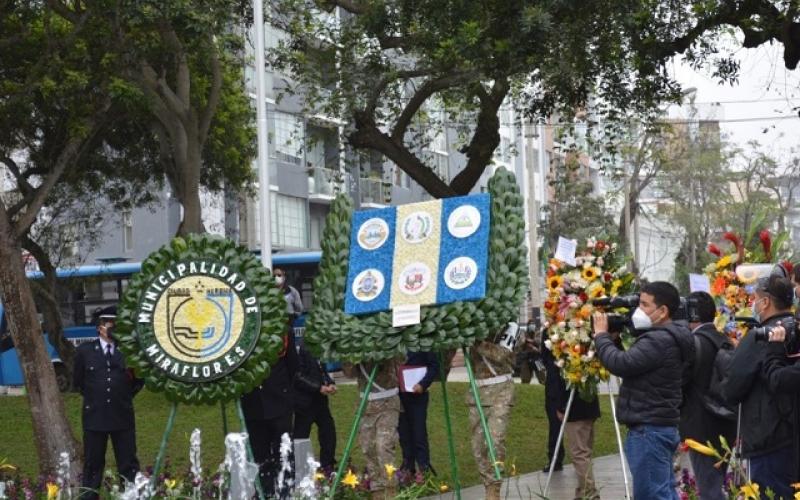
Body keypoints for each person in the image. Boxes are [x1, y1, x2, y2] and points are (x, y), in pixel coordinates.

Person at [593, 281, 693, 500]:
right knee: (664, 492)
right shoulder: (671, 337)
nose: (639, 311)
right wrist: (614, 341)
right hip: (659, 425)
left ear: (663, 311)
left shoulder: (659, 340)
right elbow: (635, 366)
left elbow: (621, 364)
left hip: (649, 429)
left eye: (645, 305)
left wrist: (600, 336)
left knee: (652, 495)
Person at [723, 275, 796, 499]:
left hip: (768, 436)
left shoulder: (761, 336)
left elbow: (733, 387)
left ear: (765, 302)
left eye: (755, 299)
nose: (753, 304)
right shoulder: (795, 328)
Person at [73, 306, 143, 499]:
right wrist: (98, 398)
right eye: (110, 325)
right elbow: (79, 383)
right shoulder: (85, 352)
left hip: (122, 416)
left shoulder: (128, 352)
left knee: (128, 464)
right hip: (95, 417)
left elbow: (138, 381)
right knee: (93, 464)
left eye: (117, 326)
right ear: (100, 327)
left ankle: (131, 495)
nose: (114, 329)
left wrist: (122, 397)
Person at [679, 291, 736, 500]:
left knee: (709, 489)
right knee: (716, 483)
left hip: (700, 427)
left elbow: (680, 382)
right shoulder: (726, 340)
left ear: (690, 314)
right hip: (726, 423)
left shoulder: (693, 344)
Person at [240, 305, 298, 497]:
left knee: (284, 453)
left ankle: (286, 493)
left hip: (279, 402)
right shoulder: (240, 330)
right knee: (259, 455)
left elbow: (293, 366)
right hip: (253, 404)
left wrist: (284, 392)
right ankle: (264, 493)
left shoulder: (282, 331)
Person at [346, 357, 402, 499]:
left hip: (387, 404)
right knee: (368, 448)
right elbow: (349, 373)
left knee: (384, 446)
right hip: (366, 406)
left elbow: (402, 359)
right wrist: (351, 358)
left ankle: (390, 488)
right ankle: (377, 489)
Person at [466, 338, 515, 500]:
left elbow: (501, 354)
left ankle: (494, 487)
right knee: (478, 446)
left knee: (495, 441)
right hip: (478, 394)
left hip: (501, 392)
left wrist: (474, 340)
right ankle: (487, 483)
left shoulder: (511, 328)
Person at [551, 368, 601, 500]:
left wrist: (561, 406)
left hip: (574, 408)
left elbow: (562, 381)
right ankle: (583, 491)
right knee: (585, 452)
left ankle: (589, 493)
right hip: (588, 406)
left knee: (579, 453)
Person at [293, 343, 337, 472]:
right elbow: (298, 377)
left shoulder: (318, 349)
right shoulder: (301, 350)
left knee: (328, 431)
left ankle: (328, 465)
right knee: (301, 436)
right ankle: (299, 467)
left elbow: (322, 371)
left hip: (320, 401)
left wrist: (330, 383)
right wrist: (318, 387)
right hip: (304, 402)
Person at [397, 351, 439, 475]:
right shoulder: (392, 337)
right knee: (403, 434)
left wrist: (423, 384)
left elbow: (434, 366)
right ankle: (408, 469)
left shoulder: (422, 340)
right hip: (397, 394)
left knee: (419, 432)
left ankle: (423, 468)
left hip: (417, 394)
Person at [540, 325, 565, 473]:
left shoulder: (548, 329)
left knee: (555, 426)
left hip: (556, 382)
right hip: (555, 384)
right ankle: (555, 459)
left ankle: (555, 460)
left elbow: (544, 357)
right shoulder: (548, 330)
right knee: (555, 425)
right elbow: (544, 356)